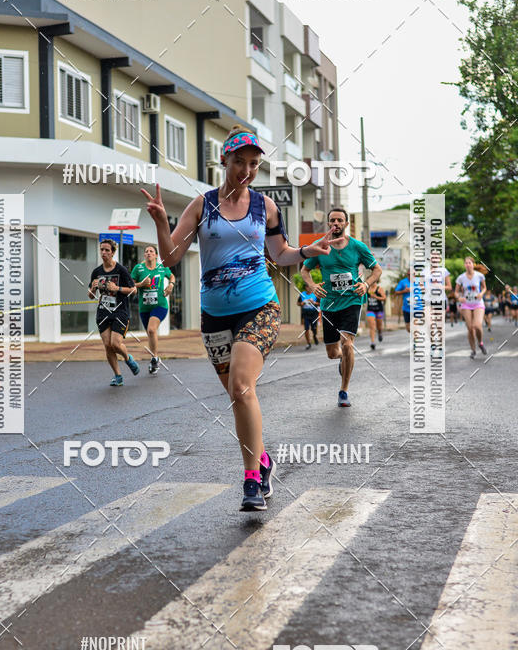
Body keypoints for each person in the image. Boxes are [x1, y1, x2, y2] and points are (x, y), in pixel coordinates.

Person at [141, 126, 333, 512]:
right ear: (225, 161)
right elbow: (170, 258)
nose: (246, 170)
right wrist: (162, 222)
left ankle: (250, 481)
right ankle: (263, 459)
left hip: (260, 307)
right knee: (236, 395)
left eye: (253, 164)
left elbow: (280, 255)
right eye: (239, 162)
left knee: (243, 387)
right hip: (214, 316)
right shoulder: (202, 205)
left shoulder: (266, 207)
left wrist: (308, 251)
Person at [301, 208, 382, 408]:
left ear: (346, 224)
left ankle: (343, 391)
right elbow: (305, 270)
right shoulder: (319, 247)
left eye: (339, 220)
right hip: (329, 303)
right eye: (332, 220)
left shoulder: (358, 247)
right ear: (328, 224)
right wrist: (312, 286)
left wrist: (366, 284)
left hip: (352, 301)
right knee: (332, 352)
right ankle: (343, 360)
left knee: (347, 344)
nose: (336, 223)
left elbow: (376, 269)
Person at [88, 239, 140, 385]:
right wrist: (92, 289)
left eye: (107, 250)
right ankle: (118, 376)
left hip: (120, 311)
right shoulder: (97, 272)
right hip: (103, 312)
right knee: (107, 345)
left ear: (113, 252)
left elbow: (133, 290)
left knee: (115, 344)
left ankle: (128, 358)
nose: (103, 253)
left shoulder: (121, 270)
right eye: (102, 250)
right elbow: (91, 295)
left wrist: (117, 289)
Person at [131, 244, 175, 374]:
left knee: (151, 329)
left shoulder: (162, 268)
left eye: (151, 251)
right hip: (144, 308)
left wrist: (171, 284)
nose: (148, 253)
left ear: (156, 255)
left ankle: (155, 358)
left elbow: (171, 276)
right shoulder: (138, 269)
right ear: (144, 255)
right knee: (150, 334)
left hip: (160, 305)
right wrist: (141, 284)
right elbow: (130, 285)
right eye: (146, 251)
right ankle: (154, 359)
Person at [455, 256, 487, 359]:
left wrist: (481, 293)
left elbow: (484, 288)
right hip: (466, 304)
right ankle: (473, 350)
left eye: (470, 263)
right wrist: (459, 298)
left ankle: (480, 343)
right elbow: (455, 292)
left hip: (478, 303)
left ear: (473, 264)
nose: (468, 265)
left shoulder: (480, 276)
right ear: (464, 265)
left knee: (477, 326)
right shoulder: (461, 278)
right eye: (466, 263)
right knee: (470, 328)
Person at [365, 284, 386, 350]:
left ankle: (380, 333)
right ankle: (372, 342)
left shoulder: (379, 288)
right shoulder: (367, 289)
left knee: (379, 326)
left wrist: (376, 297)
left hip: (379, 310)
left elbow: (384, 298)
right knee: (372, 326)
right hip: (370, 310)